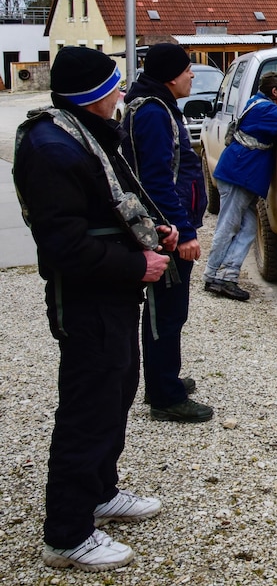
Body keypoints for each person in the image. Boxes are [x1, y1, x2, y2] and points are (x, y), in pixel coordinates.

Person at [14, 46, 179, 572]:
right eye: (114, 85)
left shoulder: (82, 131)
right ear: (93, 94)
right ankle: (67, 535)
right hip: (86, 297)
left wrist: (157, 233)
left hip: (109, 293)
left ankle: (100, 491)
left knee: (117, 390)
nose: (122, 93)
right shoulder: (52, 148)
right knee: (87, 409)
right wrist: (137, 267)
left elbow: (116, 203)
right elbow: (63, 247)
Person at [121, 43, 212, 423]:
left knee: (170, 311)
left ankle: (164, 379)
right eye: (188, 70)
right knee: (165, 312)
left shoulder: (157, 105)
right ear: (171, 77)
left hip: (170, 225)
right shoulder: (153, 112)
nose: (193, 75)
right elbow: (157, 181)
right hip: (167, 230)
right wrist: (183, 229)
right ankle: (164, 395)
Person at [203, 72, 277, 301]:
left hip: (241, 176)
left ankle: (228, 276)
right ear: (275, 91)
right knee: (228, 225)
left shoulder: (255, 103)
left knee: (247, 228)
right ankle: (211, 275)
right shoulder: (265, 110)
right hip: (239, 176)